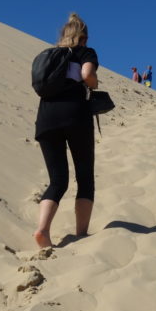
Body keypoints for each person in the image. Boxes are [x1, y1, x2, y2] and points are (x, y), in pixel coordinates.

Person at [34, 13, 99, 248]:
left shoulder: (49, 55)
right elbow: (87, 75)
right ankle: (81, 233)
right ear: (83, 37)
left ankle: (42, 229)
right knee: (85, 177)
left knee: (58, 180)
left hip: (45, 120)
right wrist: (94, 84)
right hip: (75, 117)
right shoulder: (84, 52)